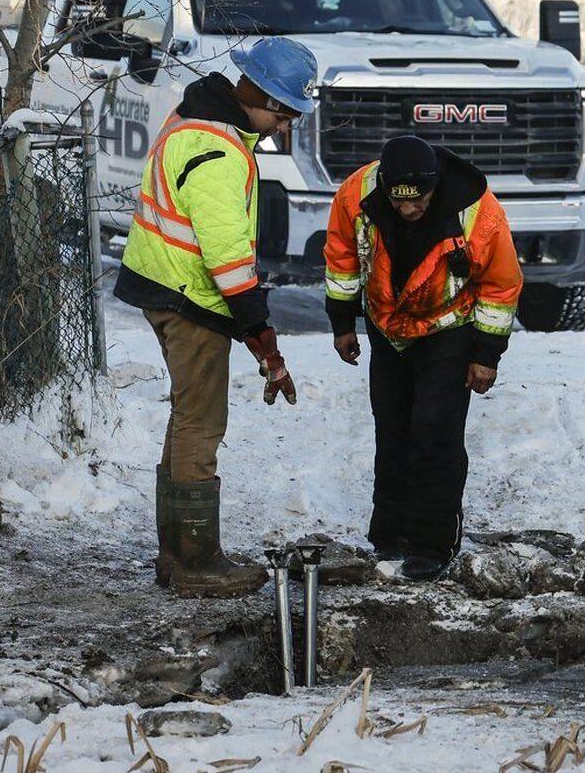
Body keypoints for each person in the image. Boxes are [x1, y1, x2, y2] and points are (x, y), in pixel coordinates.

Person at [113, 36, 318, 597]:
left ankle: (175, 556)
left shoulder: (196, 112)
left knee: (185, 418)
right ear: (263, 99)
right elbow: (228, 261)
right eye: (286, 114)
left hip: (162, 283)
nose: (285, 127)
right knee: (202, 422)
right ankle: (196, 560)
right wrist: (261, 335)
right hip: (190, 297)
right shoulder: (220, 152)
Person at [323, 135, 523, 581]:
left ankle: (432, 545)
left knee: (435, 432)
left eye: (418, 202)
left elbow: (501, 286)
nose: (408, 210)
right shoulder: (357, 193)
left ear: (434, 188)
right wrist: (342, 322)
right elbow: (341, 258)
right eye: (398, 202)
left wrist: (486, 355)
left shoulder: (478, 212)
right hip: (387, 329)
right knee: (391, 430)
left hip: (448, 330)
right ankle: (389, 536)